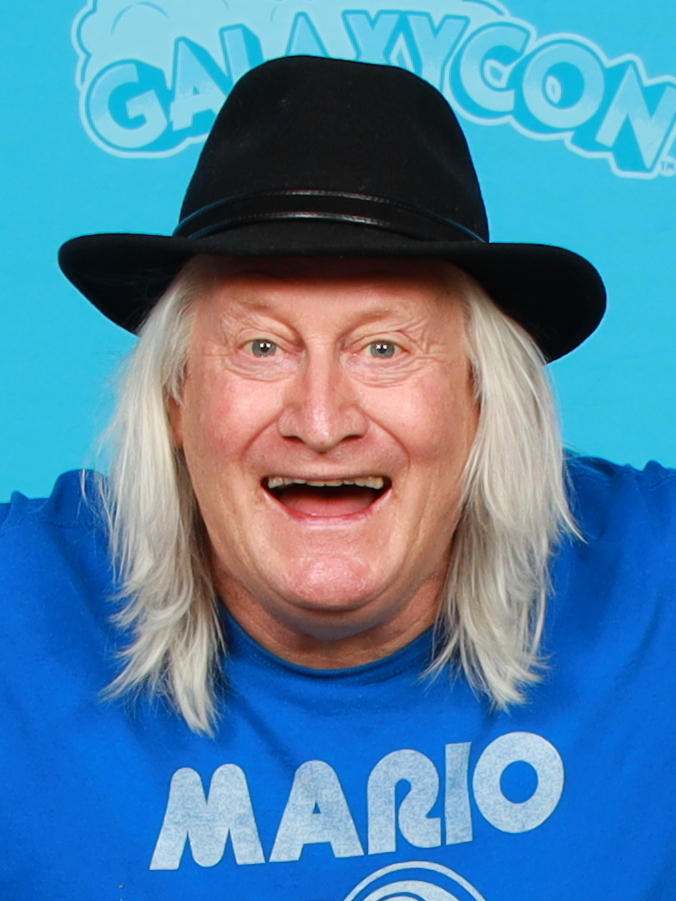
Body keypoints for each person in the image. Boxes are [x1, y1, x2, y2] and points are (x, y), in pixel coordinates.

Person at [2, 55, 674, 901]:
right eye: (261, 346)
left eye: (383, 347)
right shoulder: (21, 612)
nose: (321, 421)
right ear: (177, 398)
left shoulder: (650, 583)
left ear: (479, 399)